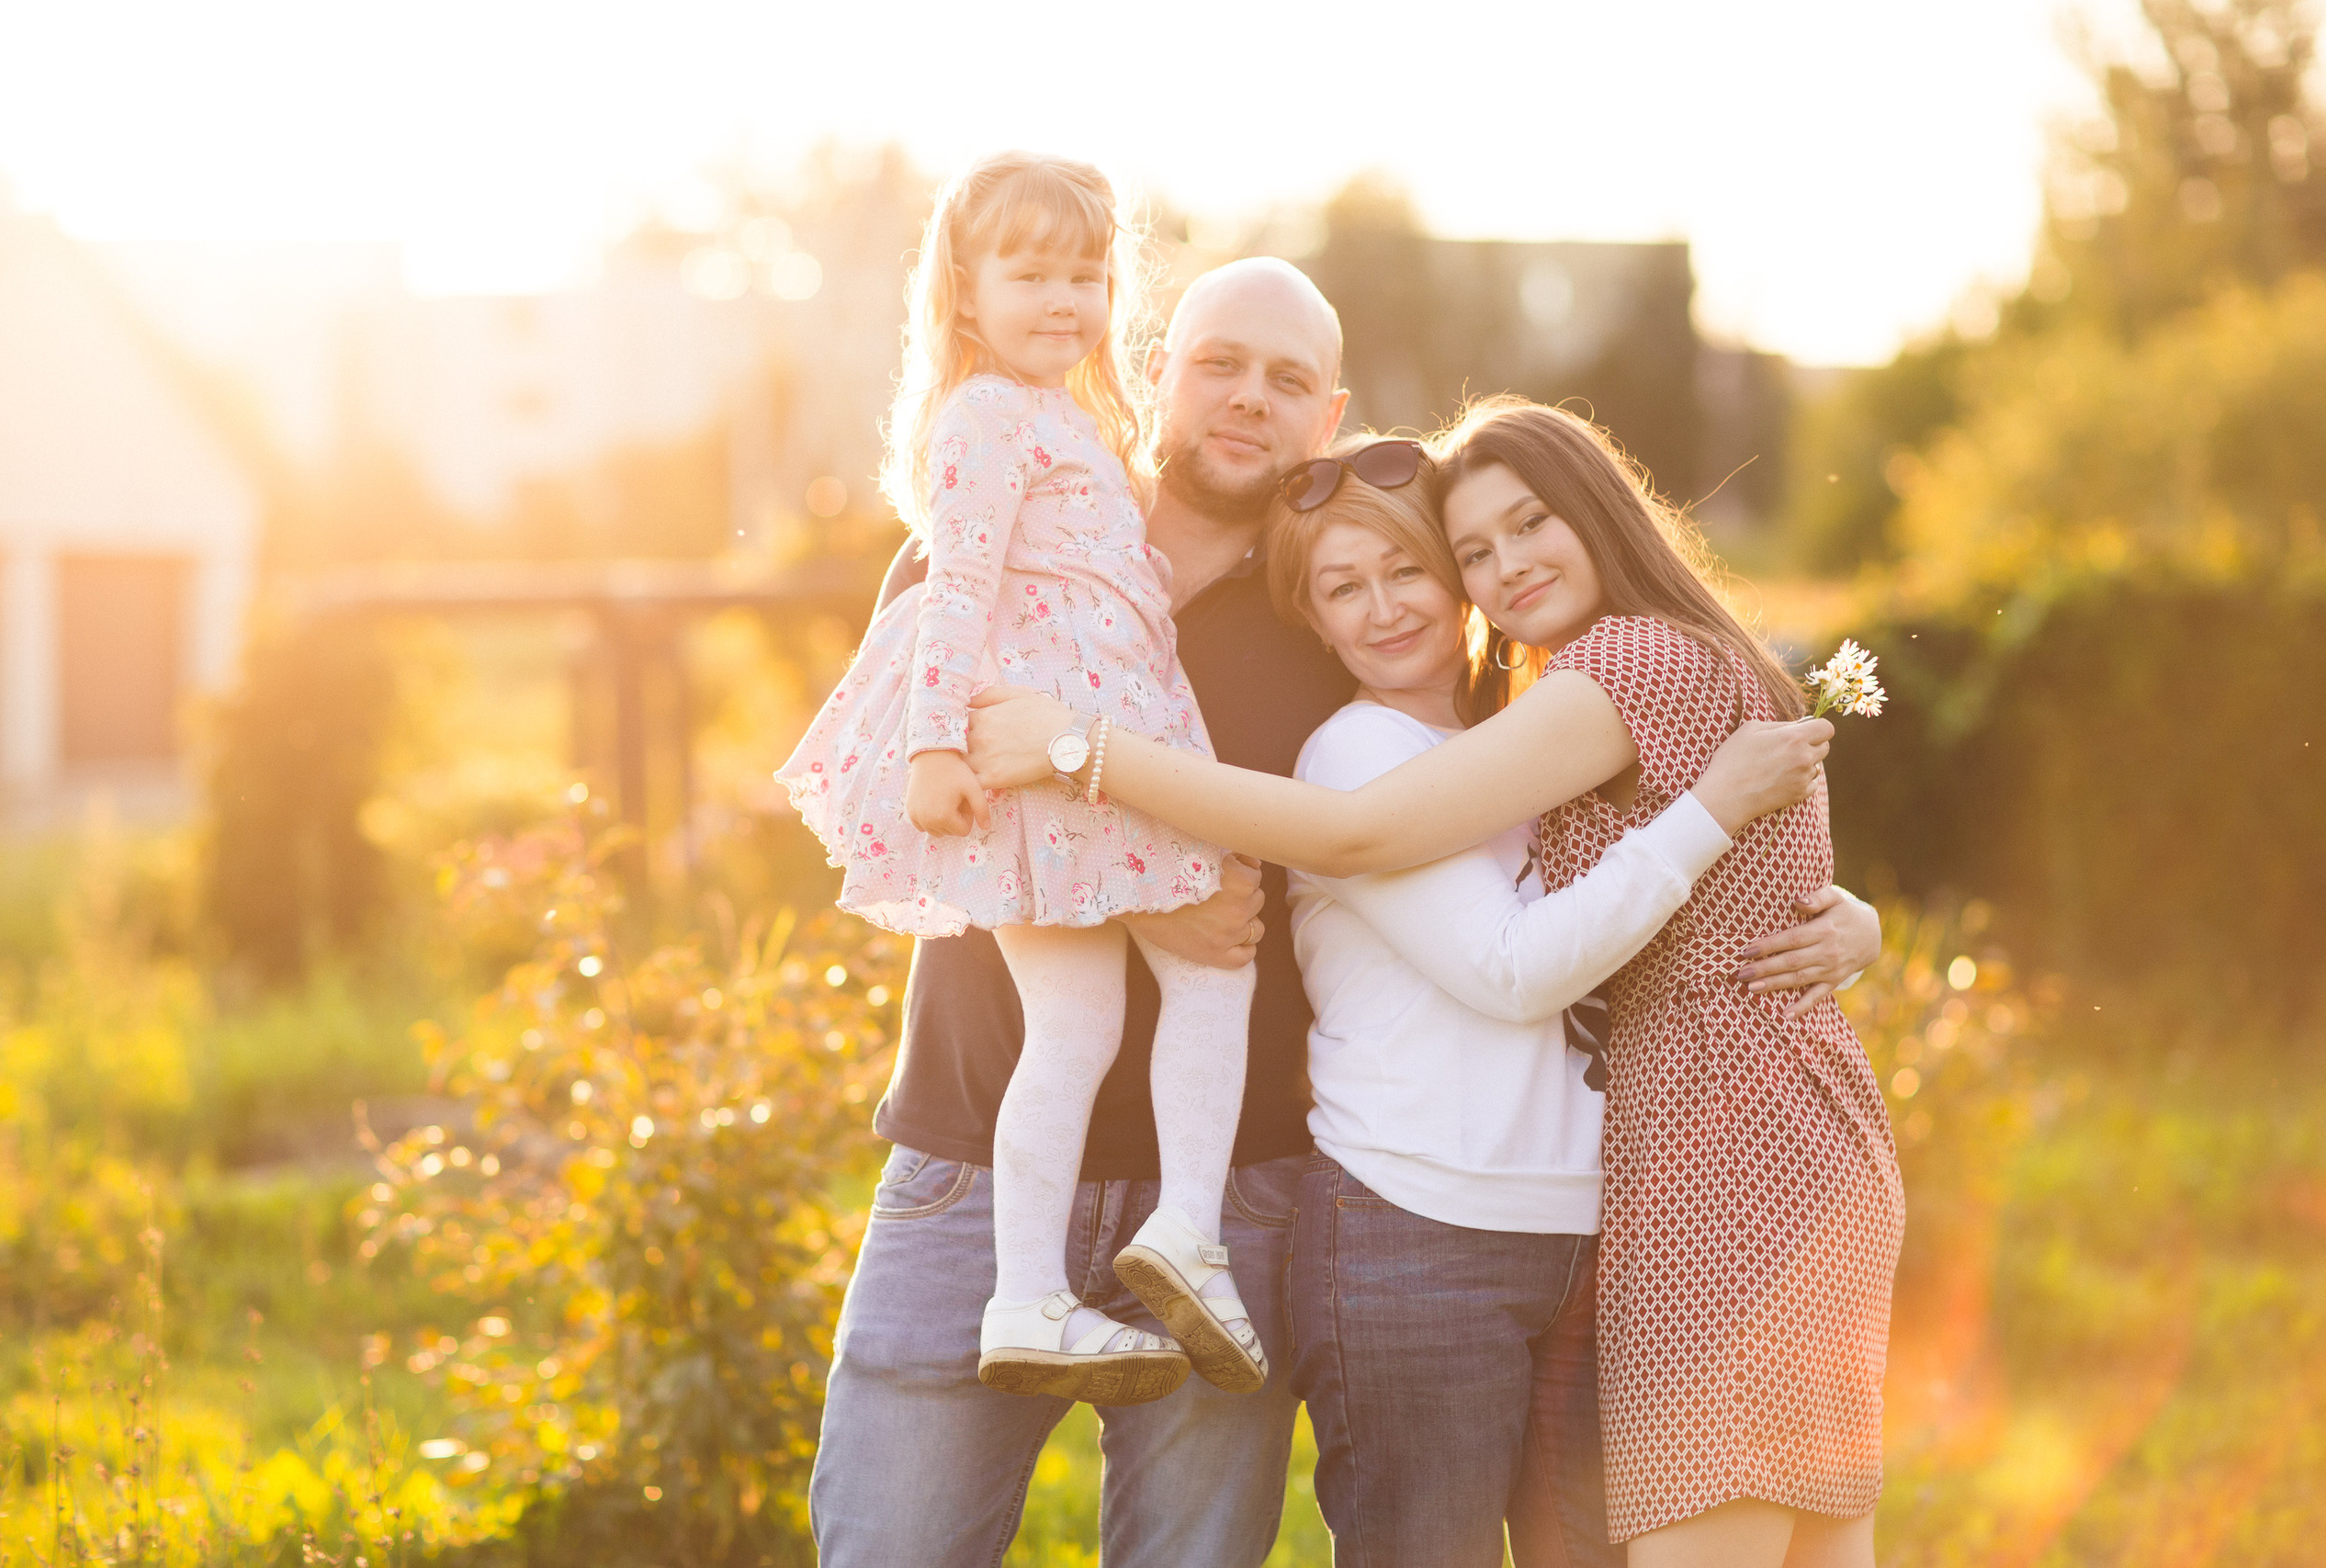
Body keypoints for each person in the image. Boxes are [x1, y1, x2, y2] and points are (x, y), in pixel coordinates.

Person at [814, 249, 1880, 1564]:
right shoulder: (995, 546)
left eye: (1289, 379)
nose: (1248, 398)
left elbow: (1510, 808)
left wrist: (1837, 910)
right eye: (1218, 363)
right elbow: (911, 812)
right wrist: (1161, 896)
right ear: (1156, 372)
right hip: (980, 1152)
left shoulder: (1326, 617)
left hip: (1233, 1193)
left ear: (1331, 414)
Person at [1260, 441, 1838, 1568]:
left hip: (1589, 1230)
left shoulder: (1529, 732)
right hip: (1416, 1229)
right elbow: (1516, 967)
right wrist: (1711, 810)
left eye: (1412, 570)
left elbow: (1678, 908)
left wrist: (1841, 920)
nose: (1384, 609)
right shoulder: (1352, 755)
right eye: (1342, 589)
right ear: (1315, 622)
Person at [776, 152, 1268, 1406]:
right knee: (1211, 961)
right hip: (1055, 745)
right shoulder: (988, 414)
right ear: (965, 287)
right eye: (1032, 271)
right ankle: (1186, 1235)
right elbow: (957, 587)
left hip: (1092, 730)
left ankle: (1034, 1294)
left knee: (1082, 1022)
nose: (1065, 297)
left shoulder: (1075, 422)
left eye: (1090, 274)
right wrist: (936, 743)